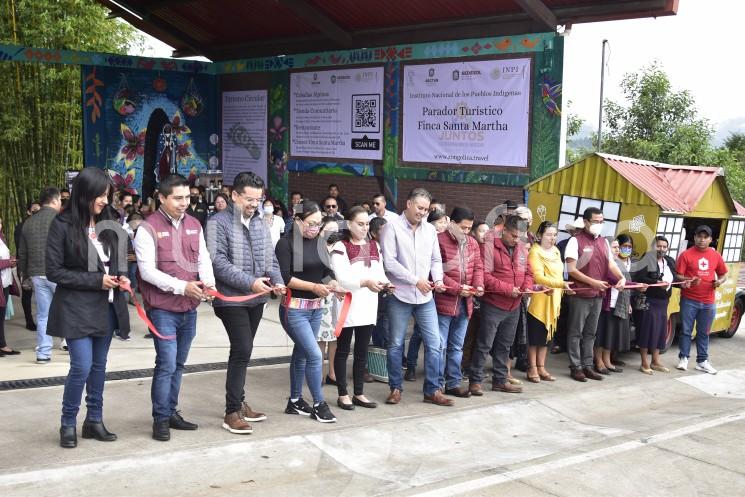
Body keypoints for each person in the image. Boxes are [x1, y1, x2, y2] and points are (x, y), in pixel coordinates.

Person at [46, 168, 131, 448]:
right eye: (101, 195)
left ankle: (94, 420)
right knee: (81, 366)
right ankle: (67, 422)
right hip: (76, 308)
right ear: (84, 193)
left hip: (106, 308)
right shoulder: (62, 225)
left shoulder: (111, 224)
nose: (105, 200)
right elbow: (54, 271)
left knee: (98, 367)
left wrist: (122, 276)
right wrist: (97, 281)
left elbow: (118, 262)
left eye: (108, 195)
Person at [135, 174, 216, 442]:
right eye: (178, 198)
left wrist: (208, 284)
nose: (184, 203)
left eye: (187, 198)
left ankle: (171, 412)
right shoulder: (147, 228)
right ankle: (160, 419)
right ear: (161, 198)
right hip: (163, 309)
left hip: (189, 308)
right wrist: (183, 287)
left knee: (179, 364)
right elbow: (146, 272)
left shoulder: (194, 224)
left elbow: (203, 258)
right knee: (167, 364)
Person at [208, 172, 285, 435]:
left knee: (244, 350)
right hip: (231, 298)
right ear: (234, 195)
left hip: (257, 297)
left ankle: (239, 401)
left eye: (258, 199)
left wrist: (278, 281)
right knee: (242, 347)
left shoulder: (260, 223)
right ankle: (231, 411)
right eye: (249, 199)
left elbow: (270, 258)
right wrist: (250, 282)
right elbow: (217, 263)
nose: (254, 204)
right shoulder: (218, 223)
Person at [380, 188, 451, 406]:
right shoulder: (391, 227)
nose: (422, 212)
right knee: (395, 344)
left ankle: (432, 390)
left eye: (426, 209)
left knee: (435, 343)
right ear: (409, 204)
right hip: (400, 294)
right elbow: (390, 263)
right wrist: (415, 280)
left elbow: (436, 260)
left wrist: (437, 280)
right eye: (419, 208)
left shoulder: (430, 230)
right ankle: (395, 388)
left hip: (425, 296)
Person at [275, 200, 341, 423]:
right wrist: (314, 287)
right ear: (297, 220)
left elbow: (325, 271)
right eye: (311, 223)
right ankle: (319, 404)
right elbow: (285, 278)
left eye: (318, 223)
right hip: (294, 310)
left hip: (315, 309)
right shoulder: (285, 244)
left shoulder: (320, 242)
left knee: (302, 354)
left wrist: (333, 285)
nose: (315, 228)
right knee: (314, 354)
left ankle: (294, 401)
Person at [330, 206, 389, 410]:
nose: (364, 228)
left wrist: (386, 283)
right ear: (349, 224)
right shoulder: (340, 246)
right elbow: (342, 277)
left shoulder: (374, 245)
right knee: (343, 349)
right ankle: (342, 393)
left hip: (368, 302)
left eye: (366, 224)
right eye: (360, 224)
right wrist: (365, 282)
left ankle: (359, 393)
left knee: (362, 350)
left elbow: (379, 271)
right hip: (348, 302)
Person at [468, 215, 534, 395]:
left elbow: (528, 271)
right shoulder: (489, 247)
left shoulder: (521, 248)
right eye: (513, 235)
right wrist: (507, 289)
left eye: (520, 237)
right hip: (494, 304)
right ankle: (475, 380)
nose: (517, 240)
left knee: (505, 346)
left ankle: (500, 380)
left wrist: (527, 287)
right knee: (484, 344)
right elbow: (485, 276)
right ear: (504, 230)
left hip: (514, 305)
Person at [564, 207, 626, 382]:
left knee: (591, 333)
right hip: (581, 294)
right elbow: (571, 270)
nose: (599, 224)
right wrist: (592, 282)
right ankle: (576, 367)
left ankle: (587, 365)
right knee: (576, 332)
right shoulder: (575, 241)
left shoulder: (604, 242)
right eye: (596, 221)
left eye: (601, 221)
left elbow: (611, 264)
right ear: (585, 222)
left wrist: (621, 278)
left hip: (598, 295)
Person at [434, 207, 484, 397]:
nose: (466, 232)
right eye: (463, 227)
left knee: (457, 346)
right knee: (440, 346)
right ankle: (437, 384)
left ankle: (453, 383)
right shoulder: (439, 241)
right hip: (444, 302)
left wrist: (478, 285)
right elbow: (436, 272)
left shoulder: (472, 243)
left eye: (469, 228)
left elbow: (478, 267)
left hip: (466, 303)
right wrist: (457, 288)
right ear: (452, 223)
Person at [404, 207, 449, 381]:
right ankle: (411, 366)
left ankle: (435, 375)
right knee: (418, 333)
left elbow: (439, 264)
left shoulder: (444, 240)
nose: (443, 225)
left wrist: (440, 281)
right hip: (421, 290)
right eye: (440, 222)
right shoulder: (425, 237)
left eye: (445, 221)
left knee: (434, 337)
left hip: (439, 291)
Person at [18, 186, 62, 363]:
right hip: (58, 272)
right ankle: (70, 346)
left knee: (43, 314)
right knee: (66, 310)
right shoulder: (60, 220)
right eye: (59, 200)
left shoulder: (28, 223)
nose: (60, 204)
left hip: (37, 273)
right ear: (53, 200)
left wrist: (24, 274)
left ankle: (43, 353)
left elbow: (22, 252)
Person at [675, 225, 727, 374]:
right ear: (694, 237)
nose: (702, 240)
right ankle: (683, 358)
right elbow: (678, 276)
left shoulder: (715, 255)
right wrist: (690, 279)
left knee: (704, 332)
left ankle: (702, 361)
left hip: (708, 301)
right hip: (689, 299)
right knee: (686, 330)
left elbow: (723, 275)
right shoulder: (686, 255)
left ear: (711, 239)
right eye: (699, 236)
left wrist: (719, 282)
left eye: (705, 237)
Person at [526, 222, 572, 383]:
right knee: (535, 336)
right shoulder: (535, 252)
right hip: (539, 299)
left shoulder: (556, 251)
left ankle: (541, 366)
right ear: (540, 235)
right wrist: (560, 284)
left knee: (547, 336)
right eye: (549, 234)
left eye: (555, 235)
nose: (552, 238)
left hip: (554, 298)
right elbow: (537, 277)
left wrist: (562, 286)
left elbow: (559, 275)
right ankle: (531, 367)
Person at [633, 236, 681, 374]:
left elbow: (675, 278)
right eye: (659, 246)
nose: (661, 249)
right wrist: (656, 284)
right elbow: (639, 278)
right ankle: (644, 363)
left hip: (663, 302)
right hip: (649, 300)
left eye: (664, 247)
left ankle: (655, 361)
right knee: (646, 331)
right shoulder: (647, 260)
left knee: (660, 332)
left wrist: (687, 282)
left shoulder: (669, 262)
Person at [594, 235, 638, 374]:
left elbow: (623, 283)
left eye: (618, 247)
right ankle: (599, 361)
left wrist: (629, 300)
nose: (617, 250)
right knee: (601, 334)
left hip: (617, 302)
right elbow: (615, 281)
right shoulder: (604, 262)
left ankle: (607, 361)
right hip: (604, 303)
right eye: (614, 247)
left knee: (609, 334)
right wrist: (637, 285)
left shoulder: (617, 262)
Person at [317, 217, 341, 386]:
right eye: (329, 229)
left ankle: (332, 372)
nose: (333, 232)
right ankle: (318, 372)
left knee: (334, 336)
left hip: (338, 295)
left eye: (335, 229)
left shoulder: (341, 247)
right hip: (322, 293)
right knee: (320, 337)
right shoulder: (316, 246)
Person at [14, 201, 40, 332]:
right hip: (26, 265)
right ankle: (29, 321)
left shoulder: (43, 225)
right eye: (34, 210)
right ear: (28, 212)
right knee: (27, 293)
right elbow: (21, 248)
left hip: (41, 265)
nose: (37, 213)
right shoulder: (21, 227)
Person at [0, 217, 19, 356]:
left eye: (0, 222)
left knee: (1, 316)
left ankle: (2, 345)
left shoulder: (2, 238)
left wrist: (11, 259)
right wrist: (8, 262)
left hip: (5, 282)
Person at [369, 216, 389, 348]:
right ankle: (378, 361)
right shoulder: (368, 247)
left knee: (388, 329)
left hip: (389, 293)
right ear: (373, 233)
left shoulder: (391, 246)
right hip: (374, 291)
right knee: (378, 328)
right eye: (384, 232)